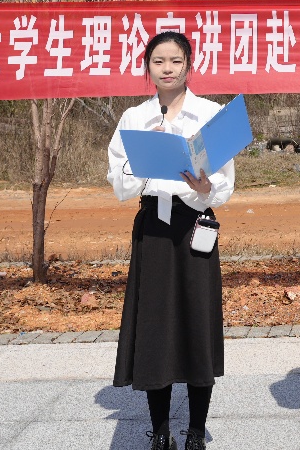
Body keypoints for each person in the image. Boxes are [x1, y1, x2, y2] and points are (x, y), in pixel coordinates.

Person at [108, 31, 236, 450]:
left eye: (176, 61)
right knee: (155, 327)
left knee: (198, 323)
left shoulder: (210, 115)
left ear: (189, 65)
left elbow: (224, 184)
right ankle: (160, 430)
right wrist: (148, 158)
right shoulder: (134, 118)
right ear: (147, 67)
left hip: (196, 227)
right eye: (158, 61)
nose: (167, 69)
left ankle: (196, 431)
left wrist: (204, 186)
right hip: (155, 230)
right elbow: (119, 183)